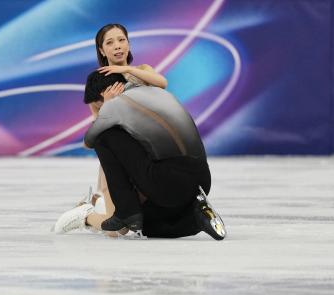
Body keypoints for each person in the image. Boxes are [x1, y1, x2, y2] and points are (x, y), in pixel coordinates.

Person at [54, 24, 226, 240]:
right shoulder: (97, 82)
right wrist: (108, 105)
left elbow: (162, 83)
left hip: (151, 154)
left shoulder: (142, 71)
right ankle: (90, 209)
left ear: (128, 43)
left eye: (121, 40)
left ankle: (87, 213)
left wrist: (126, 70)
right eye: (110, 42)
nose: (117, 46)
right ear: (101, 50)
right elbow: (99, 130)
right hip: (126, 153)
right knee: (121, 229)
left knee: (131, 222)